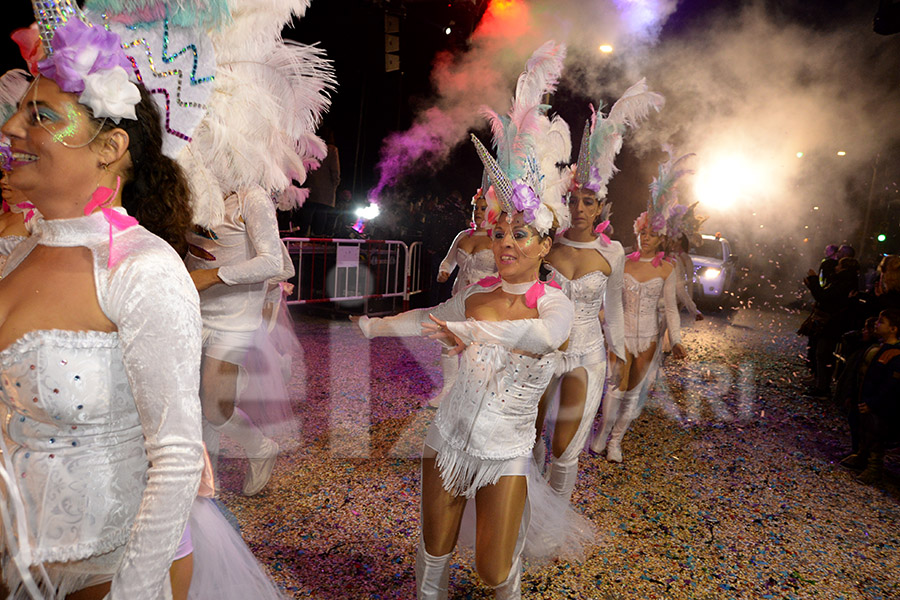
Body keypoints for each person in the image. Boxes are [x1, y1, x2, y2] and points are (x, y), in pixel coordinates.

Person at [357, 42, 591, 599]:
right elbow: (430, 317)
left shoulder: (551, 302)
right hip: (448, 439)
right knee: (433, 553)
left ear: (543, 245)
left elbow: (542, 337)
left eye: (520, 236)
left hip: (504, 452)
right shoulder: (479, 291)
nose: (505, 244)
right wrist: (379, 325)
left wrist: (467, 333)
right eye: (502, 232)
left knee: (490, 570)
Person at [0, 15, 204, 598]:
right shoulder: (11, 256)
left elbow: (177, 456)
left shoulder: (141, 269)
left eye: (39, 115)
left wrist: (134, 590)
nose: (11, 127)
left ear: (111, 147)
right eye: (19, 111)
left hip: (104, 569)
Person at [533, 79, 662, 501]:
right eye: (575, 200)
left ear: (601, 205)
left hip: (586, 355)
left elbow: (616, 308)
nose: (581, 209)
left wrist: (619, 354)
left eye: (590, 202)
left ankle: (552, 523)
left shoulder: (613, 252)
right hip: (541, 351)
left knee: (565, 446)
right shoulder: (547, 243)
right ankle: (522, 513)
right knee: (529, 435)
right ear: (567, 201)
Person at [590, 148, 689, 462]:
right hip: (619, 335)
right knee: (614, 389)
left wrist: (677, 340)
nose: (646, 237)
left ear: (661, 238)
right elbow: (611, 299)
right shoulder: (623, 261)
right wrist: (596, 319)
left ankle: (617, 440)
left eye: (652, 234)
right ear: (638, 230)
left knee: (633, 392)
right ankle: (604, 432)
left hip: (648, 338)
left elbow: (671, 308)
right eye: (643, 232)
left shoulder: (667, 268)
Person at [185, 187, 285, 497]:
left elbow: (274, 263)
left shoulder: (251, 197)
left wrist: (213, 275)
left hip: (234, 319)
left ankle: (260, 446)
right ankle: (202, 478)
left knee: (216, 407)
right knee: (191, 402)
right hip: (191, 309)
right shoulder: (191, 188)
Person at [429, 180, 497, 407]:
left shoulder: (497, 239)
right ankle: (448, 389)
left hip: (483, 303)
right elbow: (447, 262)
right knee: (447, 341)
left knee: (475, 350)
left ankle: (472, 395)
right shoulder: (462, 236)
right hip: (458, 298)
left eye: (483, 208)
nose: (478, 212)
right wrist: (443, 272)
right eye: (475, 208)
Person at [839, 309, 900, 484]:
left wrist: (873, 403)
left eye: (881, 322)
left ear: (893, 329)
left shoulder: (895, 354)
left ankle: (874, 468)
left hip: (879, 406)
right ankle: (861, 455)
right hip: (863, 398)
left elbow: (891, 386)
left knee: (875, 435)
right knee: (861, 428)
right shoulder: (878, 348)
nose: (876, 324)